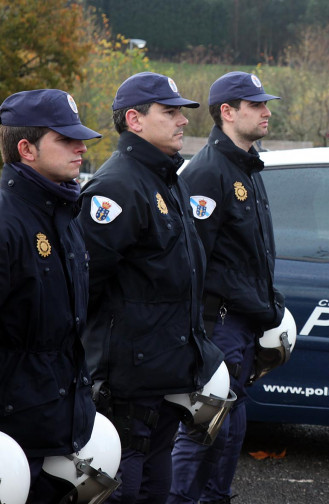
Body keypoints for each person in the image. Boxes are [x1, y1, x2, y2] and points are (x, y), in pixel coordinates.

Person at [77, 72, 225, 503]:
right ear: (134, 120)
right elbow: (85, 287)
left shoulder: (168, 179)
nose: (182, 121)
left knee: (157, 485)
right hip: (128, 381)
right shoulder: (118, 187)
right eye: (170, 111)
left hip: (166, 374)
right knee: (128, 487)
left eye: (182, 111)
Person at [168, 72, 286, 504]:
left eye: (264, 104)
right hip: (216, 324)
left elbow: (250, 254)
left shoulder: (247, 166)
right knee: (205, 426)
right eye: (256, 105)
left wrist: (268, 304)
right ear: (227, 112)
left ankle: (216, 497)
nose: (266, 111)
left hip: (243, 322)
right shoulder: (208, 172)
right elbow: (194, 261)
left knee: (231, 424)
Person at [0, 89, 100, 501]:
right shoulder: (7, 223)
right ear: (26, 148)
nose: (80, 147)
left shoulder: (64, 214)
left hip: (57, 427)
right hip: (15, 436)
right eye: (64, 138)